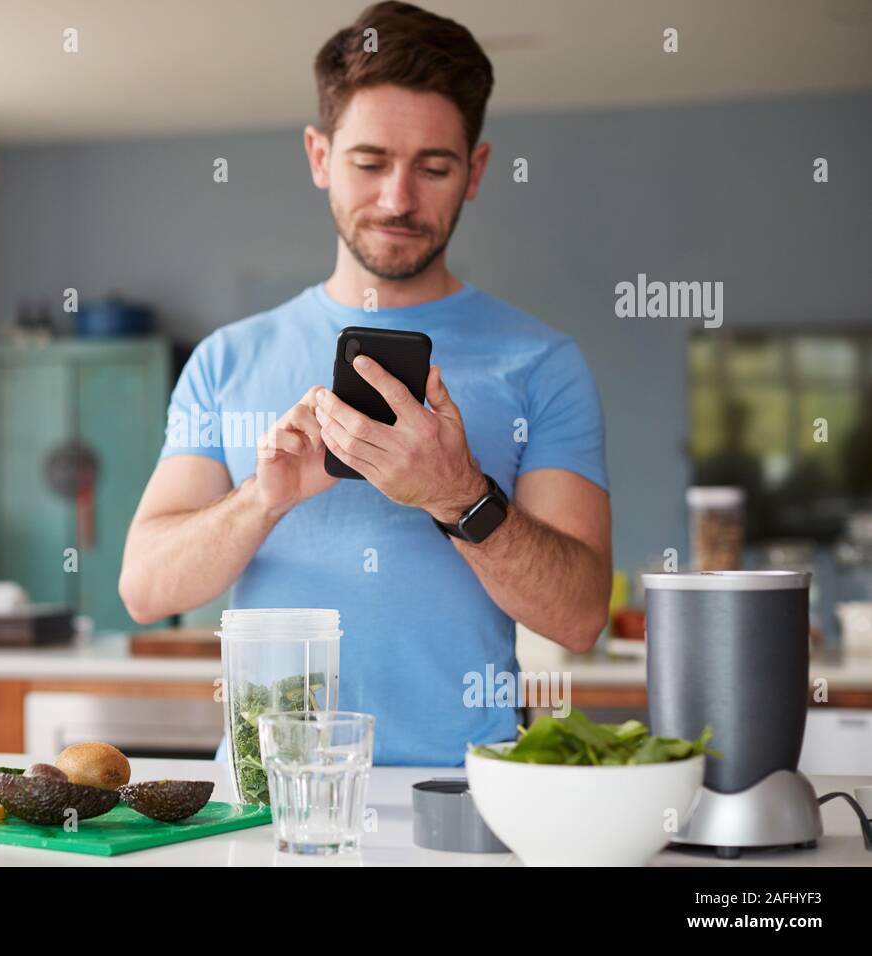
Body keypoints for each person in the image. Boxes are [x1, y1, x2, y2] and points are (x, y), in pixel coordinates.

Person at [119, 1, 612, 765]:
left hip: (466, 802)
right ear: (320, 157)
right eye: (370, 162)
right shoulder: (225, 358)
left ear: (475, 171)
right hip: (268, 803)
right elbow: (146, 589)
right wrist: (263, 498)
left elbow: (580, 617)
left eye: (434, 167)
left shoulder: (543, 363)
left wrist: (458, 494)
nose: (397, 200)